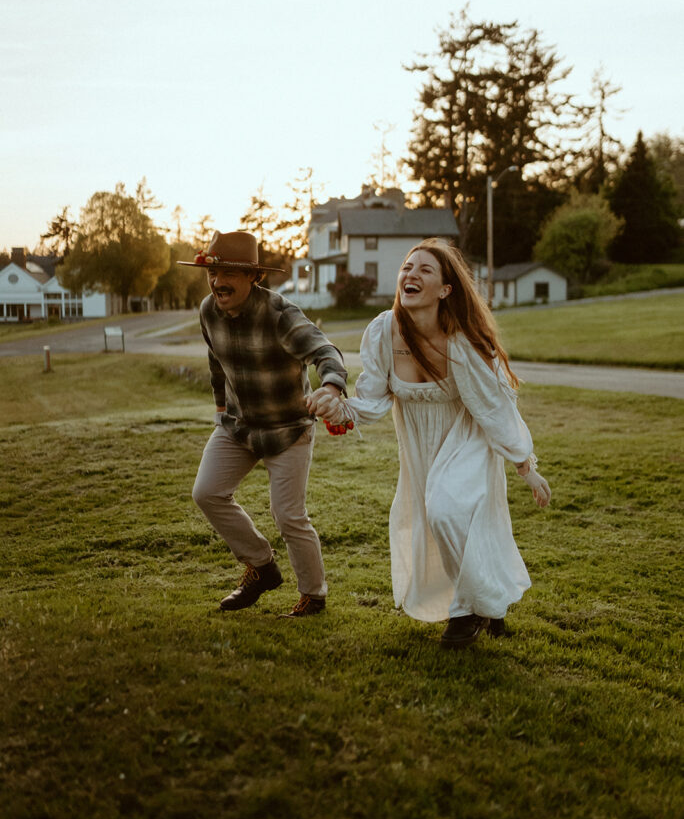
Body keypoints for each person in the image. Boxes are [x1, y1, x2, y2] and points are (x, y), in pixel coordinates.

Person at [308, 238, 551, 649]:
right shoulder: (385, 329)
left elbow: (494, 407)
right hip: (420, 445)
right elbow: (370, 397)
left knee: (446, 511)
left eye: (424, 270)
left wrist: (525, 465)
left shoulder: (462, 341)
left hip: (466, 435)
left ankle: (468, 612)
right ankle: (487, 602)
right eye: (406, 267)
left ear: (444, 290)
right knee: (441, 522)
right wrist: (337, 408)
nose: (410, 275)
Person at [181, 230, 347, 617]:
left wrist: (333, 388)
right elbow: (215, 364)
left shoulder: (280, 315)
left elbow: (326, 352)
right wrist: (221, 409)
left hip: (289, 429)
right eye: (213, 273)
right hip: (237, 428)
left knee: (288, 516)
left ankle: (314, 595)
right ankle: (261, 566)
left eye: (230, 276)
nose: (218, 283)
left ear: (253, 277)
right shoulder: (208, 310)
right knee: (207, 492)